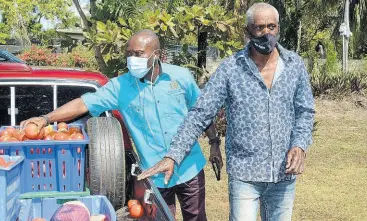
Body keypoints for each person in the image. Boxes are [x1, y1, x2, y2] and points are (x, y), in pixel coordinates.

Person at [138, 3, 315, 221]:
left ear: (278, 28)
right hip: (245, 176)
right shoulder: (231, 69)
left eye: (272, 26)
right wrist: (173, 155)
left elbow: (305, 111)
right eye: (259, 28)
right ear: (247, 31)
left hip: (283, 175)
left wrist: (299, 144)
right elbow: (200, 113)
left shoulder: (294, 65)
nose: (266, 33)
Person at [20, 29, 221, 221]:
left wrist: (214, 143)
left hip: (189, 167)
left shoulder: (181, 77)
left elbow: (201, 112)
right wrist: (46, 118)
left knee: (196, 217)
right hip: (154, 174)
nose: (132, 59)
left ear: (157, 54)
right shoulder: (120, 87)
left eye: (139, 53)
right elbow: (84, 103)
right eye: (129, 53)